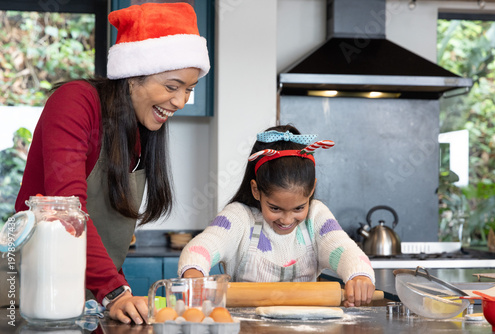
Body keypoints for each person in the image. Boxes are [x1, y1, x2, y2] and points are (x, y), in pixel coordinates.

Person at [15, 2, 210, 325]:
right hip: (33, 292)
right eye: (172, 86)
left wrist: (116, 292)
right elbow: (66, 212)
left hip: (92, 303)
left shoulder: (142, 129)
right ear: (132, 77)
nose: (181, 101)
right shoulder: (75, 103)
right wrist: (114, 290)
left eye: (189, 89)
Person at [178, 125, 376, 307]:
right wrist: (194, 275)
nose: (287, 220)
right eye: (275, 209)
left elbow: (344, 250)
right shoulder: (239, 218)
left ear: (312, 189)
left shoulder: (316, 216)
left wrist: (359, 275)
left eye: (298, 208)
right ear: (256, 190)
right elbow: (200, 248)